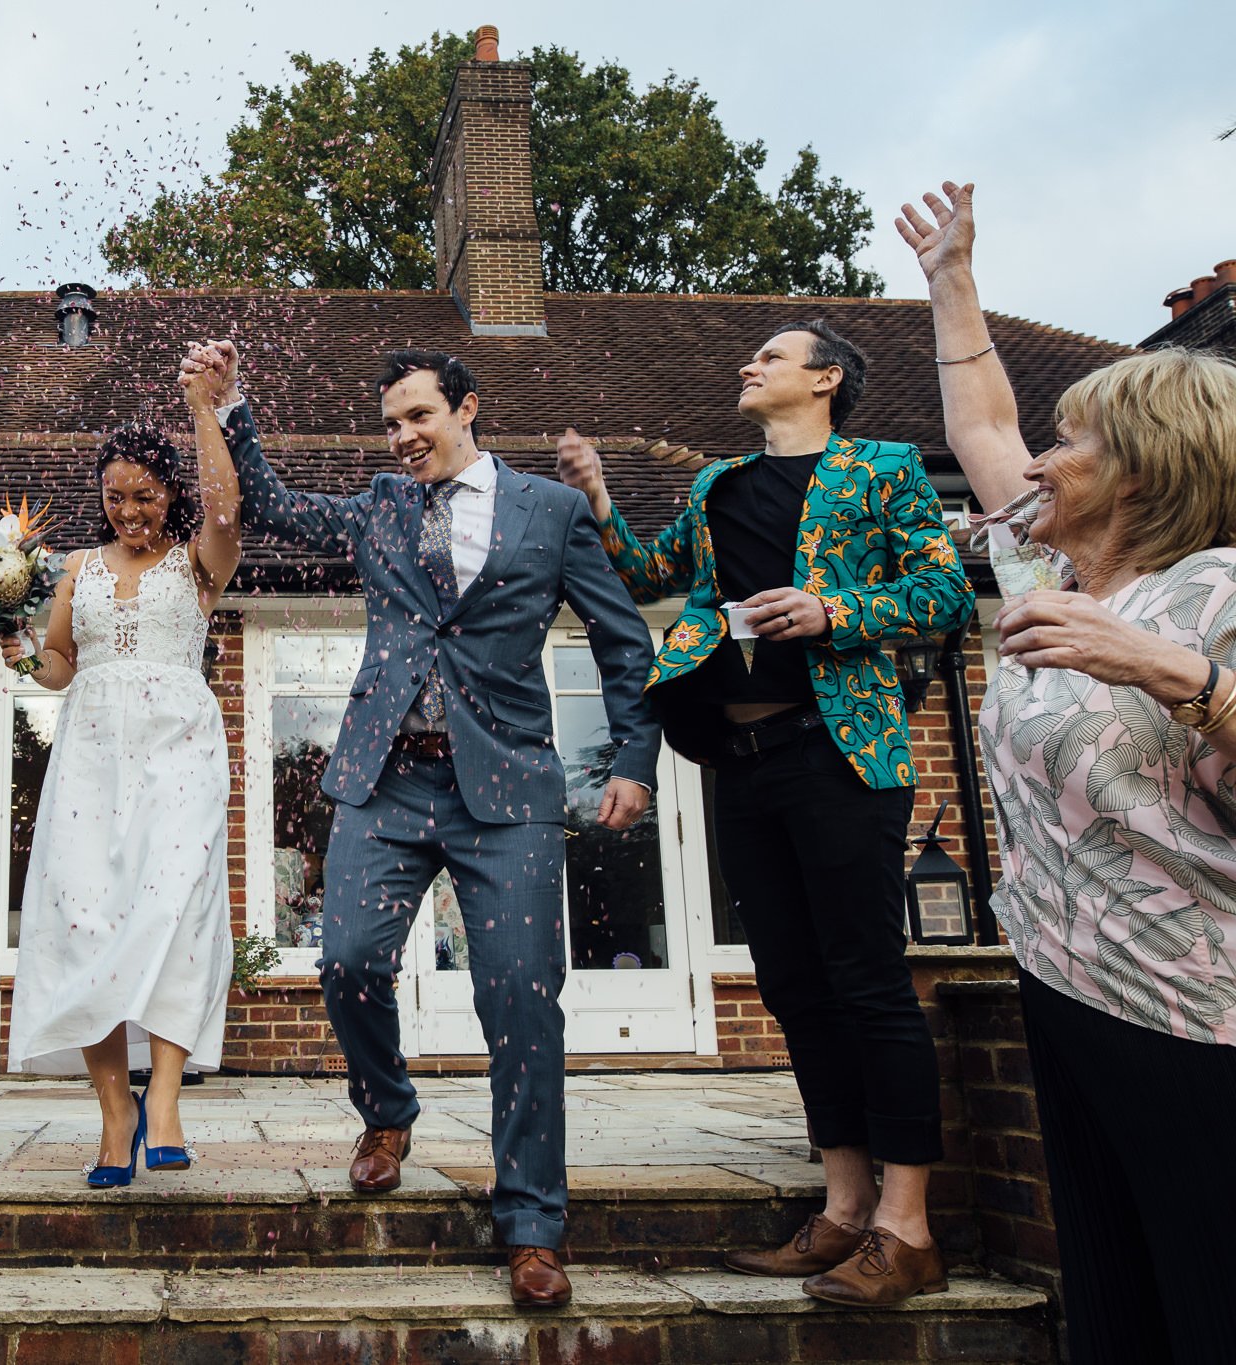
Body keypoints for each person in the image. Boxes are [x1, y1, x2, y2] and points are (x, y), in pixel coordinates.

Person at [214, 340, 659, 1306]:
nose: (402, 436)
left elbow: (624, 640)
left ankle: (533, 1222)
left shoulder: (549, 511)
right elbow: (280, 510)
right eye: (390, 423)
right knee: (347, 960)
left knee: (520, 1001)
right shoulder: (377, 504)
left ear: (466, 409)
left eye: (417, 416)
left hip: (507, 790)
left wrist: (631, 759)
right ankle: (387, 1109)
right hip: (388, 781)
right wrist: (233, 407)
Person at [558, 319, 974, 1305]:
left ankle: (905, 1229)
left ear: (824, 379)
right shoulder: (716, 486)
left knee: (865, 982)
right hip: (736, 762)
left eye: (772, 357)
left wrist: (837, 612)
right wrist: (596, 497)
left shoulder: (880, 470)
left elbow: (946, 591)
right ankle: (838, 1214)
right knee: (791, 986)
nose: (749, 366)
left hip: (835, 752)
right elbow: (643, 576)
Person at [901, 180, 1236, 1362]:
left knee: (1210, 1298)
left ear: (1144, 469)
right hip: (1065, 992)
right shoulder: (1044, 584)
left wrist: (1171, 674)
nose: (1039, 460)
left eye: (1074, 441)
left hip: (1196, 1017)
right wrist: (951, 285)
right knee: (1113, 1305)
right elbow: (980, 431)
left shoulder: (1213, 591)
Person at [1, 349, 243, 1187]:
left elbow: (228, 501)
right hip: (91, 753)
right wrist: (24, 652)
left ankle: (167, 1097)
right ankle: (114, 1114)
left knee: (175, 908)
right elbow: (61, 663)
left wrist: (202, 408)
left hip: (179, 744)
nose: (130, 509)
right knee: (85, 917)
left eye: (145, 494)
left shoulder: (201, 560)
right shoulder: (77, 567)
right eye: (115, 496)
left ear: (170, 491)